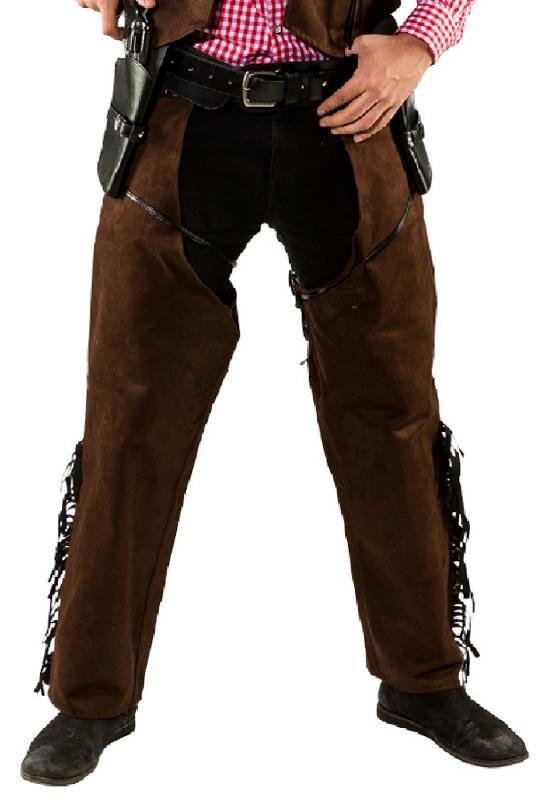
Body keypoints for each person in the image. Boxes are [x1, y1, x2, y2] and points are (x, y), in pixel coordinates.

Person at [21, 0, 528, 786]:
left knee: (392, 415)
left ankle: (424, 682)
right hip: (180, 111)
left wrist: (421, 42)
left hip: (351, 117)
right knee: (130, 415)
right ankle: (90, 699)